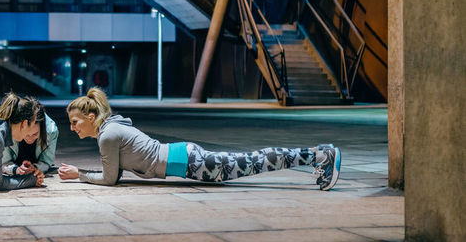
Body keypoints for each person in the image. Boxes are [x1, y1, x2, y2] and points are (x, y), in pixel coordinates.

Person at [57, 87, 341, 190]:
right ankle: (318, 154)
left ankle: (321, 154)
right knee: (253, 161)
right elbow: (115, 172)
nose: (73, 128)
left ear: (91, 117)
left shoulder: (107, 136)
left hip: (191, 163)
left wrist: (78, 175)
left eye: (75, 121)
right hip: (186, 157)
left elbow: (110, 179)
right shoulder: (109, 129)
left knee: (254, 161)